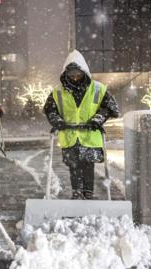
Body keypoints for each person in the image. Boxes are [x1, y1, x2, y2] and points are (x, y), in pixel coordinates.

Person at [44, 50, 119, 200]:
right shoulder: (58, 92)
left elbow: (110, 108)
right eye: (72, 75)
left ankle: (88, 192)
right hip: (70, 135)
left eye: (78, 74)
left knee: (88, 165)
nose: (75, 77)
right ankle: (77, 192)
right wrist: (57, 121)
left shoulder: (98, 89)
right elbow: (50, 109)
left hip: (90, 135)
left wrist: (97, 119)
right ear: (66, 74)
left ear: (84, 73)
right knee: (74, 165)